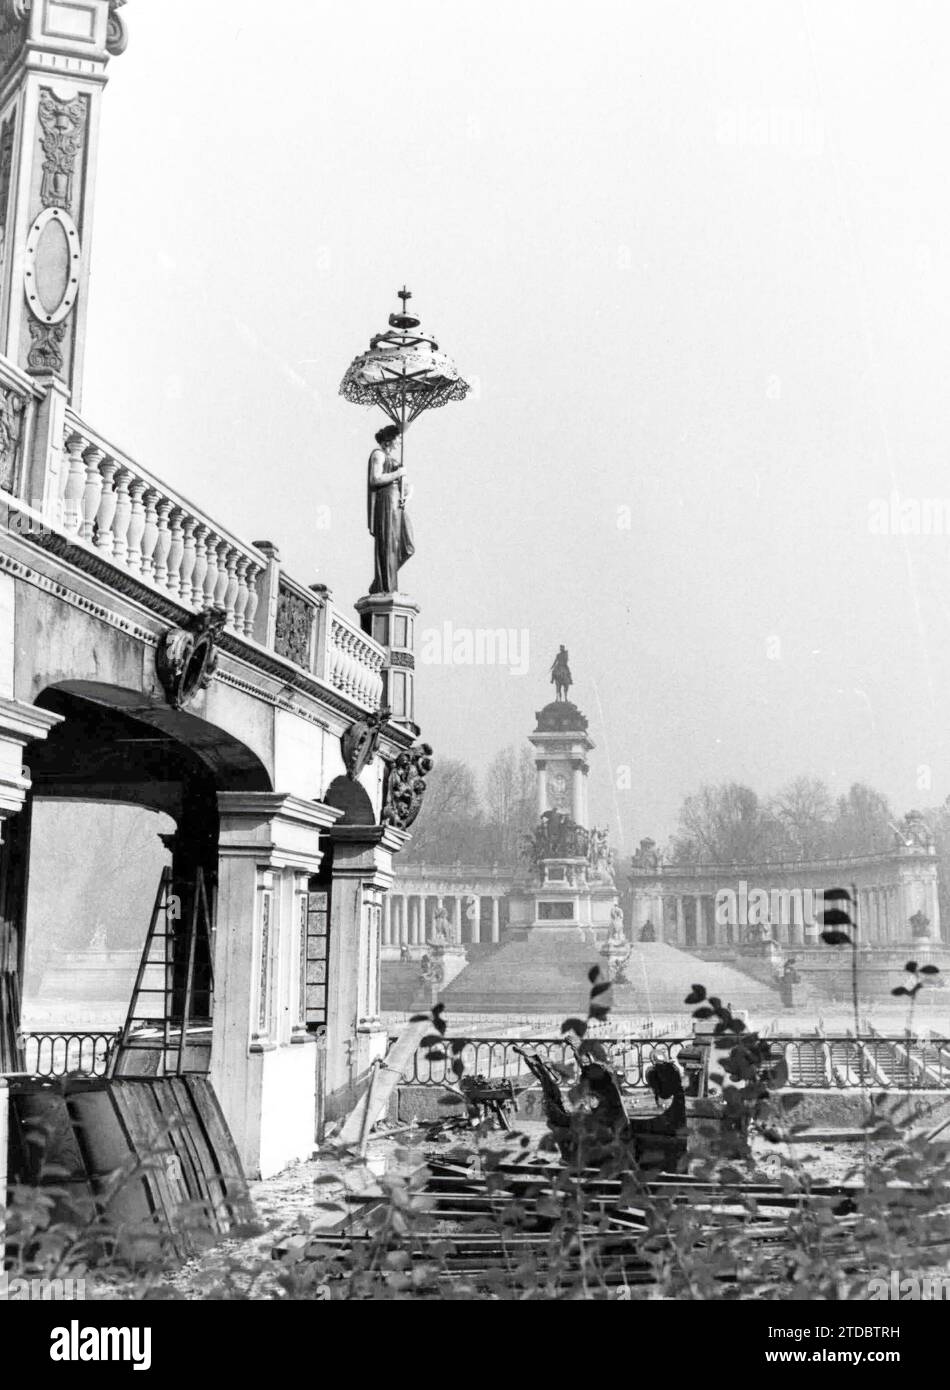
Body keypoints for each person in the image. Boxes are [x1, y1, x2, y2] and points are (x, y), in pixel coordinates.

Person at [367, 423, 414, 594]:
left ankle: (383, 578)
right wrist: (398, 474)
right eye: (397, 439)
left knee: (407, 546)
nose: (399, 443)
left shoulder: (394, 459)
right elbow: (375, 479)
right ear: (389, 440)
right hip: (386, 500)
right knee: (388, 544)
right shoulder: (378, 455)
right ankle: (386, 586)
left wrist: (408, 494)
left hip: (397, 502)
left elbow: (406, 485)